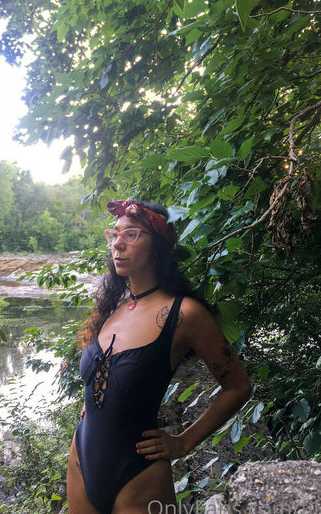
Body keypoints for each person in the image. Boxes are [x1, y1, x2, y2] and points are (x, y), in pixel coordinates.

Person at [67, 199, 252, 514]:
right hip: (81, 461)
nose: (117, 244)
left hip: (138, 474)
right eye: (114, 235)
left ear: (158, 246)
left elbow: (238, 387)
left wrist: (183, 442)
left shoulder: (184, 314)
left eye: (132, 235)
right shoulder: (112, 304)